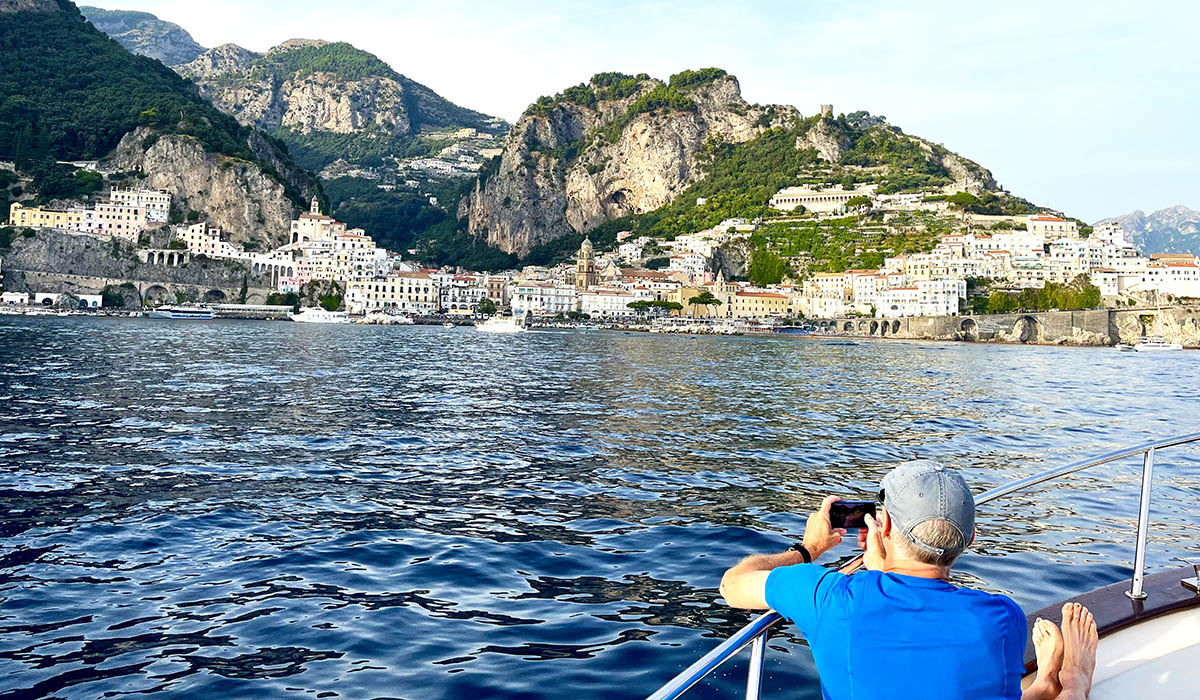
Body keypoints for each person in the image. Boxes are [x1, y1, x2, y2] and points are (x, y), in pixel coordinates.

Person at [719, 460, 1099, 700]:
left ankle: (1068, 682)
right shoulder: (1002, 616)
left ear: (882, 524)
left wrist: (808, 549)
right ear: (969, 538)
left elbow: (732, 585)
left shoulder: (830, 599)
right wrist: (881, 570)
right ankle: (1061, 683)